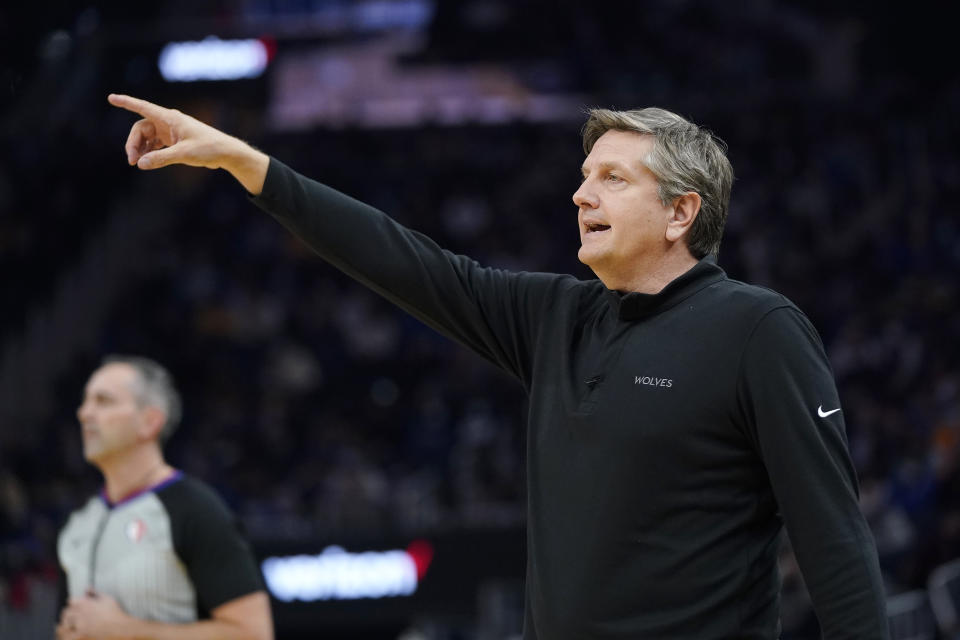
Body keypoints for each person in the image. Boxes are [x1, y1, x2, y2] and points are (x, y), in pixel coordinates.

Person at [107, 93, 889, 638]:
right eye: (584, 176)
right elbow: (407, 262)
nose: (581, 193)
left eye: (612, 178)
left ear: (683, 212)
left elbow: (834, 540)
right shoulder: (557, 316)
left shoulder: (759, 330)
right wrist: (248, 164)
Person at [56, 355, 273, 640]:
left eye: (103, 401)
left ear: (150, 421)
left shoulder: (196, 510)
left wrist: (125, 631)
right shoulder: (78, 524)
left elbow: (255, 634)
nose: (84, 413)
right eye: (85, 401)